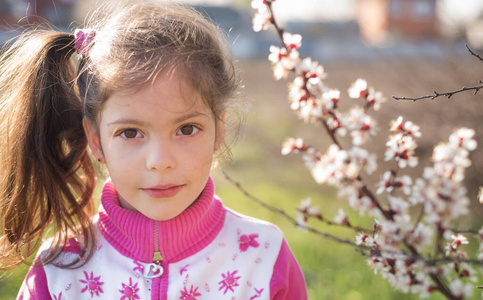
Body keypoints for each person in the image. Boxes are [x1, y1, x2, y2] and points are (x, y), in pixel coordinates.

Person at [0, 1, 307, 299]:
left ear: (218, 130)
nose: (160, 162)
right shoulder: (59, 272)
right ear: (96, 141)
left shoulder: (264, 259)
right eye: (130, 133)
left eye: (186, 129)